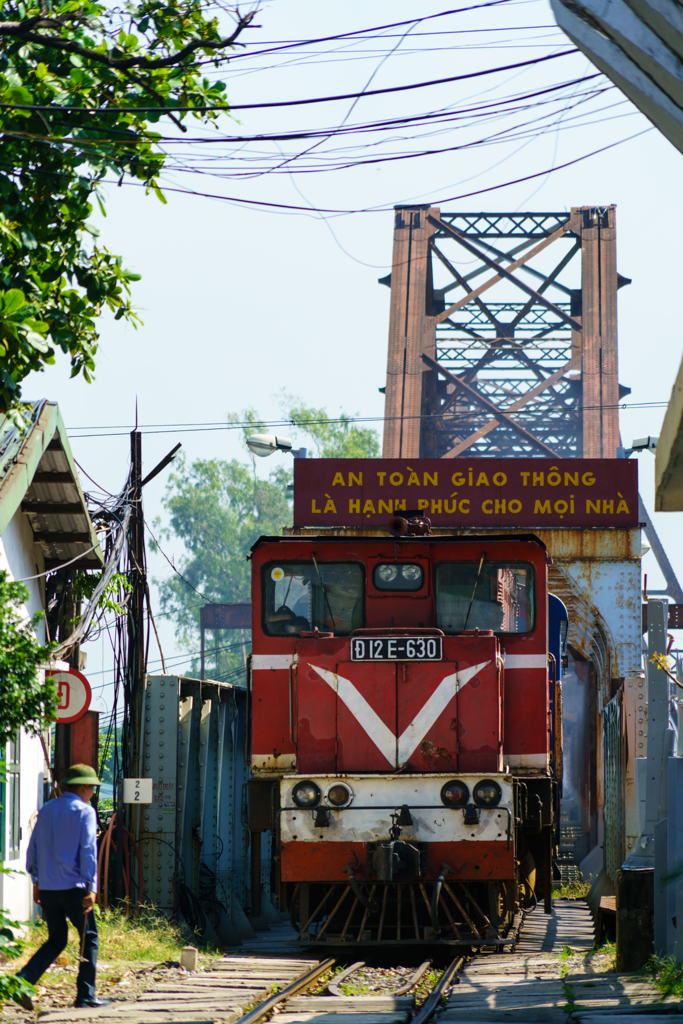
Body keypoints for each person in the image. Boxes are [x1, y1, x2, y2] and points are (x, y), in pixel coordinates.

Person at [14, 764, 109, 1011]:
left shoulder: (46, 810)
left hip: (48, 888)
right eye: (92, 789)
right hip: (74, 887)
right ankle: (85, 994)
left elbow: (32, 848)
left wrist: (36, 882)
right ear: (85, 787)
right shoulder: (85, 812)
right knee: (89, 938)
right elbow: (88, 850)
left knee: (56, 939)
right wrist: (92, 888)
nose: (93, 794)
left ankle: (23, 981)